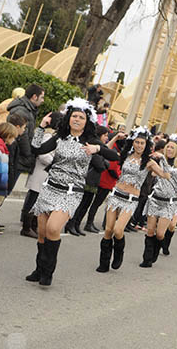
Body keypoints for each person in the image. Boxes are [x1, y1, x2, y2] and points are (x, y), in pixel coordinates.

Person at [27, 98, 119, 286]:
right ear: (68, 118)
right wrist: (41, 127)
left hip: (71, 192)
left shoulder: (90, 141)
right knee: (43, 233)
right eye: (74, 116)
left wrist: (97, 148)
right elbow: (36, 149)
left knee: (54, 228)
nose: (77, 119)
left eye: (81, 117)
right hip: (50, 187)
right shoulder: (60, 138)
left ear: (87, 121)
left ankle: (48, 273)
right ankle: (39, 269)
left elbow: (114, 156)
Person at [95, 126, 156, 273]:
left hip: (130, 199)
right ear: (133, 142)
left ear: (146, 145)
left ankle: (119, 252)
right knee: (108, 230)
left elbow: (166, 175)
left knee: (118, 229)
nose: (139, 145)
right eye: (137, 142)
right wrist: (116, 138)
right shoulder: (126, 155)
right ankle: (104, 263)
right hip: (116, 195)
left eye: (142, 143)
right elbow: (105, 150)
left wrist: (163, 161)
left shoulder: (149, 162)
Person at [139, 139, 177, 267]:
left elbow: (169, 174)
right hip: (155, 200)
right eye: (167, 147)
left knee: (160, 234)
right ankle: (146, 259)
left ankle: (155, 252)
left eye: (172, 148)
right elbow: (154, 172)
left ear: (176, 151)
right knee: (150, 231)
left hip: (168, 204)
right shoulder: (159, 162)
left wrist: (162, 160)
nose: (169, 149)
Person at [20, 112, 59, 238]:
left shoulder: (54, 135)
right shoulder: (48, 135)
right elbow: (42, 154)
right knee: (32, 200)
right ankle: (27, 227)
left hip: (44, 174)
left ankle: (33, 225)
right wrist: (55, 161)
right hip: (40, 172)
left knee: (38, 201)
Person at [66, 124, 110, 236]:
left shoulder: (100, 148)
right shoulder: (92, 147)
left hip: (94, 181)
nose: (106, 138)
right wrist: (104, 162)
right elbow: (100, 165)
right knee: (81, 204)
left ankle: (77, 224)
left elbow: (107, 163)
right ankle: (71, 224)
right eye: (105, 135)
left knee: (86, 204)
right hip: (87, 180)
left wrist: (104, 162)